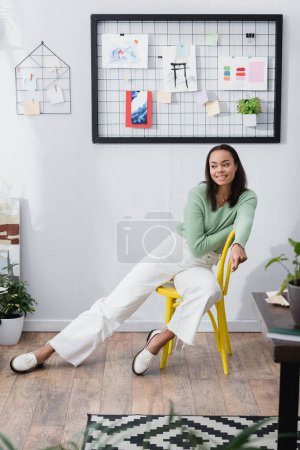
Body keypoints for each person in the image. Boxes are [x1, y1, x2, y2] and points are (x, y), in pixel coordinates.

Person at [10, 144, 257, 375]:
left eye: (225, 164)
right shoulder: (199, 193)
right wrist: (231, 233)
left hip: (201, 265)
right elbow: (196, 244)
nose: (219, 170)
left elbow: (244, 222)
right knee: (116, 305)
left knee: (209, 290)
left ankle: (157, 342)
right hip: (172, 252)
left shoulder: (247, 197)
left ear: (236, 166)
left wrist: (239, 241)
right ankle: (47, 351)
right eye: (214, 165)